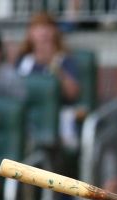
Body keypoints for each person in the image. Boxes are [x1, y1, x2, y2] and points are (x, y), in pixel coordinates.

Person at [16, 12, 81, 150]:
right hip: (26, 118)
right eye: (38, 27)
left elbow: (72, 93)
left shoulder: (65, 60)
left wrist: (54, 66)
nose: (44, 32)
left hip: (56, 122)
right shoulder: (23, 61)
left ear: (55, 33)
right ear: (30, 33)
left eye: (48, 27)